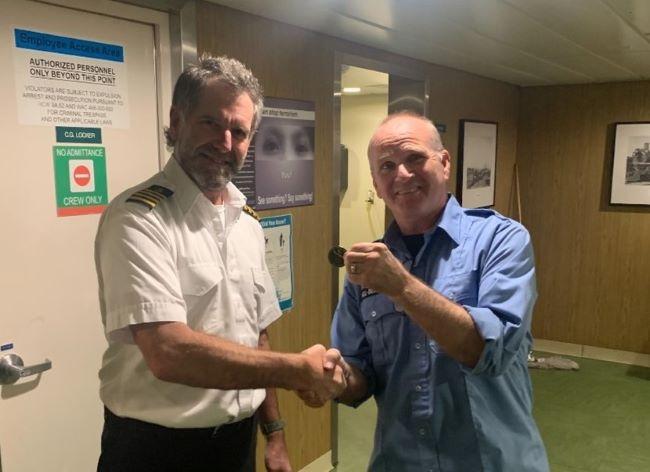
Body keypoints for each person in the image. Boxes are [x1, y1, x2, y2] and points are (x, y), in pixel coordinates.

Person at [95, 54, 346, 472]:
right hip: (156, 450)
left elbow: (256, 335)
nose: (225, 143)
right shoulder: (138, 218)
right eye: (211, 123)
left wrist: (276, 435)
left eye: (239, 131)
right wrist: (297, 370)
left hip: (236, 443)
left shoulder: (246, 222)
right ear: (176, 121)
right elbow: (168, 351)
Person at [329, 112, 549, 471]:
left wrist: (400, 286)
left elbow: (487, 351)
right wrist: (329, 378)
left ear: (444, 163)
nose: (402, 174)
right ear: (375, 181)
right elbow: (360, 371)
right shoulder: (369, 268)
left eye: (415, 158)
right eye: (387, 166)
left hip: (491, 461)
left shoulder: (501, 240)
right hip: (399, 462)